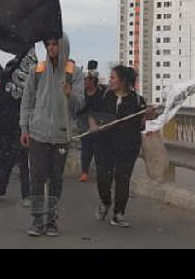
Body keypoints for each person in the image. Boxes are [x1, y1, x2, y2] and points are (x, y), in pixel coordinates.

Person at [20, 34, 85, 237]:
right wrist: (24, 128)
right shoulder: (37, 70)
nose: (51, 48)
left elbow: (80, 104)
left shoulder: (74, 72)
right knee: (37, 179)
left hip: (61, 135)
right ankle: (37, 220)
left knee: (56, 180)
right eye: (48, 44)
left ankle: (52, 220)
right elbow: (27, 101)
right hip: (38, 133)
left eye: (55, 44)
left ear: (63, 46)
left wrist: (70, 93)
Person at [89, 65, 148, 227]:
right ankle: (105, 201)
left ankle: (119, 213)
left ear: (122, 81)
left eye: (113, 77)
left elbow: (141, 126)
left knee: (123, 178)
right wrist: (94, 125)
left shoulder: (138, 101)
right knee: (103, 177)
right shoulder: (104, 96)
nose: (110, 80)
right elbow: (92, 113)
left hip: (128, 146)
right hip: (104, 144)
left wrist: (146, 117)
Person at [0, 56, 31, 205]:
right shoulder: (1, 89)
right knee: (5, 161)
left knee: (26, 163)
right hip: (4, 129)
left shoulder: (29, 88)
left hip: (24, 128)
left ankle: (27, 195)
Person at [78, 69, 104, 182]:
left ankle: (101, 173)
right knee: (86, 150)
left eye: (86, 80)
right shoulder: (81, 94)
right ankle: (84, 172)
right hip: (84, 127)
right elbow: (77, 110)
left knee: (99, 150)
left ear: (92, 80)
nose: (84, 82)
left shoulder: (101, 93)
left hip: (99, 127)